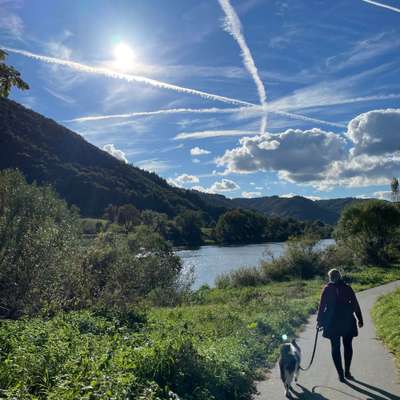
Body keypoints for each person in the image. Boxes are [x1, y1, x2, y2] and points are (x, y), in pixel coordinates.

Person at [317, 269, 363, 382]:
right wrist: (360, 319)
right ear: (340, 276)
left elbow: (322, 307)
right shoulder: (347, 288)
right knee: (347, 346)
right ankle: (347, 372)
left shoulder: (327, 289)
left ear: (330, 277)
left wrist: (320, 322)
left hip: (332, 323)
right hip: (347, 320)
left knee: (335, 347)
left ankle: (341, 374)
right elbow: (355, 304)